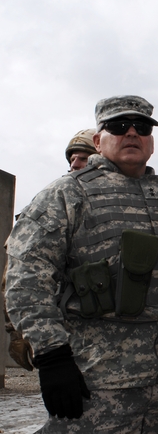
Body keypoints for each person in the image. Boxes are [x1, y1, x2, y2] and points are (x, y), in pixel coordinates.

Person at [5, 95, 158, 433]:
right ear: (98, 141)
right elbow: (26, 279)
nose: (131, 133)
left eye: (142, 127)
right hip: (96, 386)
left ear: (151, 143)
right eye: (118, 126)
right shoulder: (66, 195)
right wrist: (52, 355)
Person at [3, 127, 97, 372]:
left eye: (83, 158)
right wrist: (17, 332)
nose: (74, 165)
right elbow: (16, 276)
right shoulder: (51, 204)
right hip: (65, 331)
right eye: (72, 159)